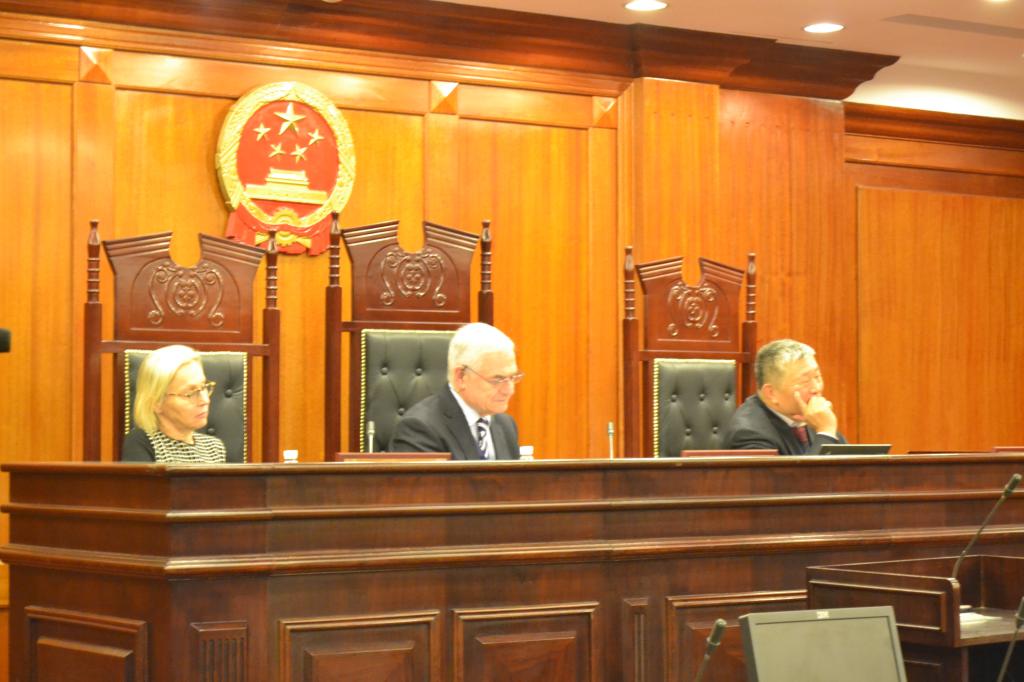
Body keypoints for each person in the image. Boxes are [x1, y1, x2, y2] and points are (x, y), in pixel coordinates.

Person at [388, 323, 521, 459]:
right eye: (497, 379)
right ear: (461, 376)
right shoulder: (419, 429)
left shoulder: (506, 425)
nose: (509, 390)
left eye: (512, 377)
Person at [722, 338, 846, 455]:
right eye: (804, 381)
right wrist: (825, 432)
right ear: (771, 393)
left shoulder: (813, 417)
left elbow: (850, 467)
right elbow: (809, 472)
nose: (816, 388)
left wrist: (826, 430)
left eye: (817, 377)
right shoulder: (749, 435)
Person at [122, 344, 227, 463]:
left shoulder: (214, 448)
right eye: (190, 393)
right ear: (156, 402)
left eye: (203, 387)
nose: (205, 400)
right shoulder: (142, 443)